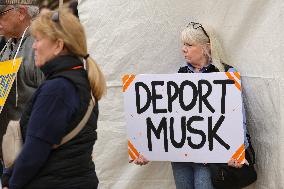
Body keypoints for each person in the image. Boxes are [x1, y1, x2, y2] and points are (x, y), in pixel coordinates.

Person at [133, 22, 250, 189]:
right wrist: (144, 148)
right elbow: (163, 118)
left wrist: (238, 151)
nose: (183, 49)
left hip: (210, 157)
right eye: (183, 44)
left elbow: (239, 117)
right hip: (181, 158)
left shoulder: (226, 74)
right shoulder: (179, 76)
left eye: (189, 44)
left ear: (206, 47)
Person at [2, 8, 106, 189]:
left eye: (39, 40)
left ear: (58, 45)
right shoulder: (79, 79)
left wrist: (11, 183)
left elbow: (35, 151)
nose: (34, 45)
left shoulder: (57, 89)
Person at [0, 0, 43, 175]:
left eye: (1, 13)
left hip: (32, 152)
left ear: (21, 12)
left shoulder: (40, 46)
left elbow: (52, 102)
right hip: (9, 152)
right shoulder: (7, 47)